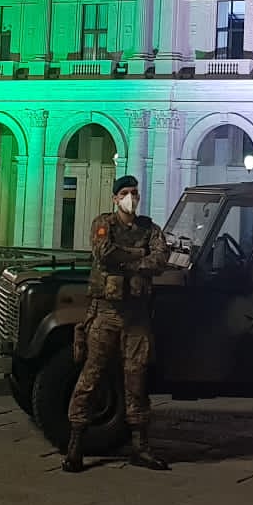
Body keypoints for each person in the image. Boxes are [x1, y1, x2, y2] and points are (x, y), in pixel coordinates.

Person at [63, 174, 170, 473]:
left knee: (137, 381)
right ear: (114, 198)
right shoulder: (104, 223)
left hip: (136, 316)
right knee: (91, 377)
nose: (130, 197)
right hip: (106, 314)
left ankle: (141, 446)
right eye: (124, 192)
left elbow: (161, 259)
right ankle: (75, 446)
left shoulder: (149, 228)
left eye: (134, 192)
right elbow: (103, 253)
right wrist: (140, 255)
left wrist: (128, 261)